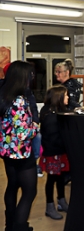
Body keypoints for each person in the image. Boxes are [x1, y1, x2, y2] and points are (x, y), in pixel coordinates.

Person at [0, 60, 39, 231]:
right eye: (29, 75)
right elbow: (24, 134)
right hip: (21, 153)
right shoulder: (20, 101)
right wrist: (36, 128)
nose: (31, 78)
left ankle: (10, 224)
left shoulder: (4, 96)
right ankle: (19, 227)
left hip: (7, 152)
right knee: (30, 192)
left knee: (12, 186)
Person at [39, 85, 70, 220]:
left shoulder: (58, 111)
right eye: (66, 95)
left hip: (60, 151)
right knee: (52, 180)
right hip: (53, 153)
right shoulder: (51, 115)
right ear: (59, 97)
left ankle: (62, 201)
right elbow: (53, 136)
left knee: (61, 177)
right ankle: (49, 206)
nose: (68, 97)